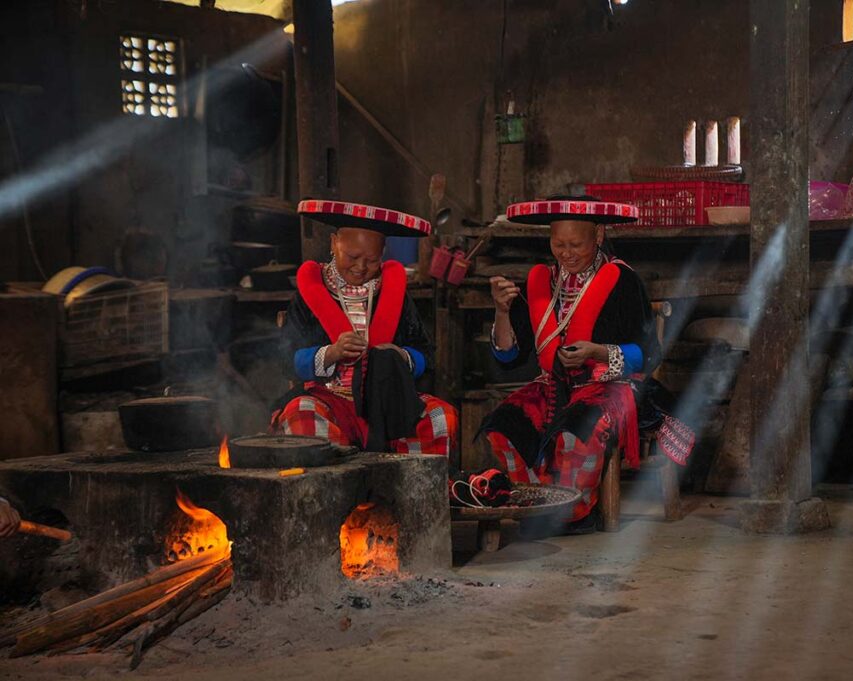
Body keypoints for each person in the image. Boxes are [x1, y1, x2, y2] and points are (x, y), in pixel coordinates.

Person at [480, 196, 694, 534]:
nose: (566, 253)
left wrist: (598, 352)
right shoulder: (544, 283)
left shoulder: (623, 281)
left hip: (611, 385)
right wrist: (502, 311)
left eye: (575, 244)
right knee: (503, 426)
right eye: (558, 243)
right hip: (553, 385)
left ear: (597, 235)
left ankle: (574, 513)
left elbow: (649, 354)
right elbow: (509, 357)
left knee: (576, 430)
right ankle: (534, 503)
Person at [272, 200, 457, 457]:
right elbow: (284, 360)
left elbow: (427, 354)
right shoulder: (310, 294)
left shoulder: (395, 295)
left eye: (372, 260)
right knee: (303, 415)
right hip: (328, 398)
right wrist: (332, 353)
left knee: (439, 416)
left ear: (384, 253)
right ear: (334, 243)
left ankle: (409, 494)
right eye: (353, 257)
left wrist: (400, 355)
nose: (361, 268)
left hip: (388, 401)